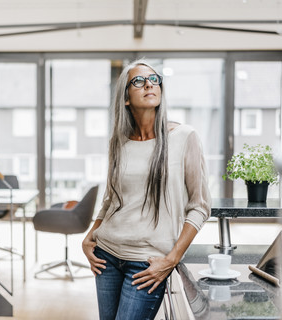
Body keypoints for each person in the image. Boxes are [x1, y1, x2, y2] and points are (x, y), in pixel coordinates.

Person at [82, 59, 211, 320]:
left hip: (147, 262)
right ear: (126, 98)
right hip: (106, 255)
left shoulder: (185, 137)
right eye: (139, 81)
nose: (149, 84)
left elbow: (199, 206)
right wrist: (90, 236)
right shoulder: (118, 143)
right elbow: (111, 198)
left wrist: (172, 258)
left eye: (154, 79)